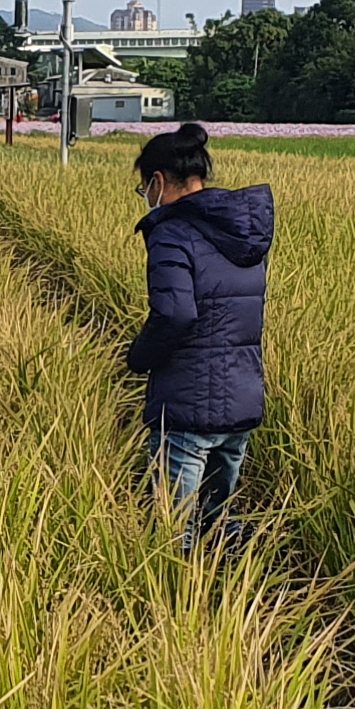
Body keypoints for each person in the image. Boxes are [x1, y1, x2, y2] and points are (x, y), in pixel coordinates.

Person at [121, 120, 272, 548]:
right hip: (242, 396)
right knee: (219, 523)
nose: (146, 199)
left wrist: (139, 358)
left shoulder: (171, 233)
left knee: (174, 534)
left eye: (143, 188)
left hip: (189, 403)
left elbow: (175, 314)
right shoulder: (244, 232)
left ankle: (178, 605)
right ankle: (232, 598)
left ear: (157, 181)